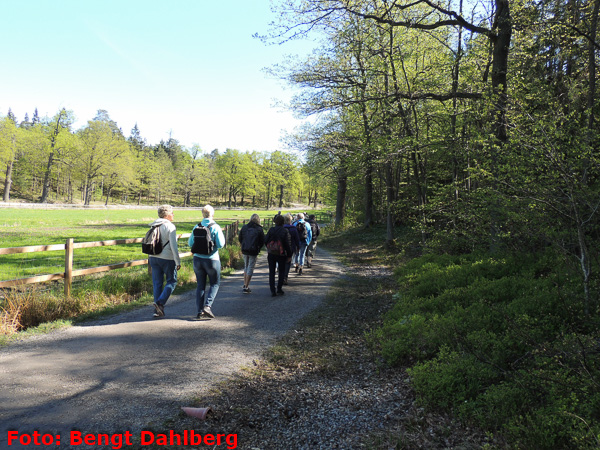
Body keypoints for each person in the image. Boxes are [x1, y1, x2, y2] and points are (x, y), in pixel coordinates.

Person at [188, 204, 225, 319]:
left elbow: (190, 243)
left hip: (197, 259)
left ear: (202, 214)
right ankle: (208, 306)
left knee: (200, 285)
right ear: (212, 214)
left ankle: (199, 311)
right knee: (214, 283)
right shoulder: (215, 227)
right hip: (211, 259)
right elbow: (221, 244)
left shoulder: (196, 226)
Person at [148, 204, 181, 318]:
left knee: (157, 283)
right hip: (167, 258)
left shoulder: (153, 225)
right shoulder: (170, 227)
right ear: (167, 215)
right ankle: (160, 302)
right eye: (172, 213)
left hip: (153, 257)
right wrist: (178, 261)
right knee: (172, 281)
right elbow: (173, 246)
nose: (173, 215)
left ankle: (158, 310)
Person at [264, 214, 292, 297]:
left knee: (271, 272)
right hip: (281, 254)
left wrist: (269, 247)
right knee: (281, 271)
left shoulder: (271, 230)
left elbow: (265, 240)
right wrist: (289, 255)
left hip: (271, 253)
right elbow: (288, 244)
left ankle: (272, 290)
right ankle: (279, 288)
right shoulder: (285, 231)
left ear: (275, 222)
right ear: (283, 222)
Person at [238, 213, 265, 293]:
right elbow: (262, 241)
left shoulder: (244, 227)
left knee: (246, 266)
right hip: (253, 250)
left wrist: (243, 245)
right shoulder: (259, 229)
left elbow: (240, 238)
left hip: (245, 249)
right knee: (250, 267)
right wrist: (258, 248)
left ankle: (245, 284)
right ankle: (246, 286)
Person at [283, 213, 300, 285]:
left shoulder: (281, 228)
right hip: (291, 248)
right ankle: (285, 277)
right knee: (287, 263)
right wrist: (298, 247)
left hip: (281, 248)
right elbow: (297, 239)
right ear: (290, 220)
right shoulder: (293, 229)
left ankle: (281, 276)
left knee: (282, 263)